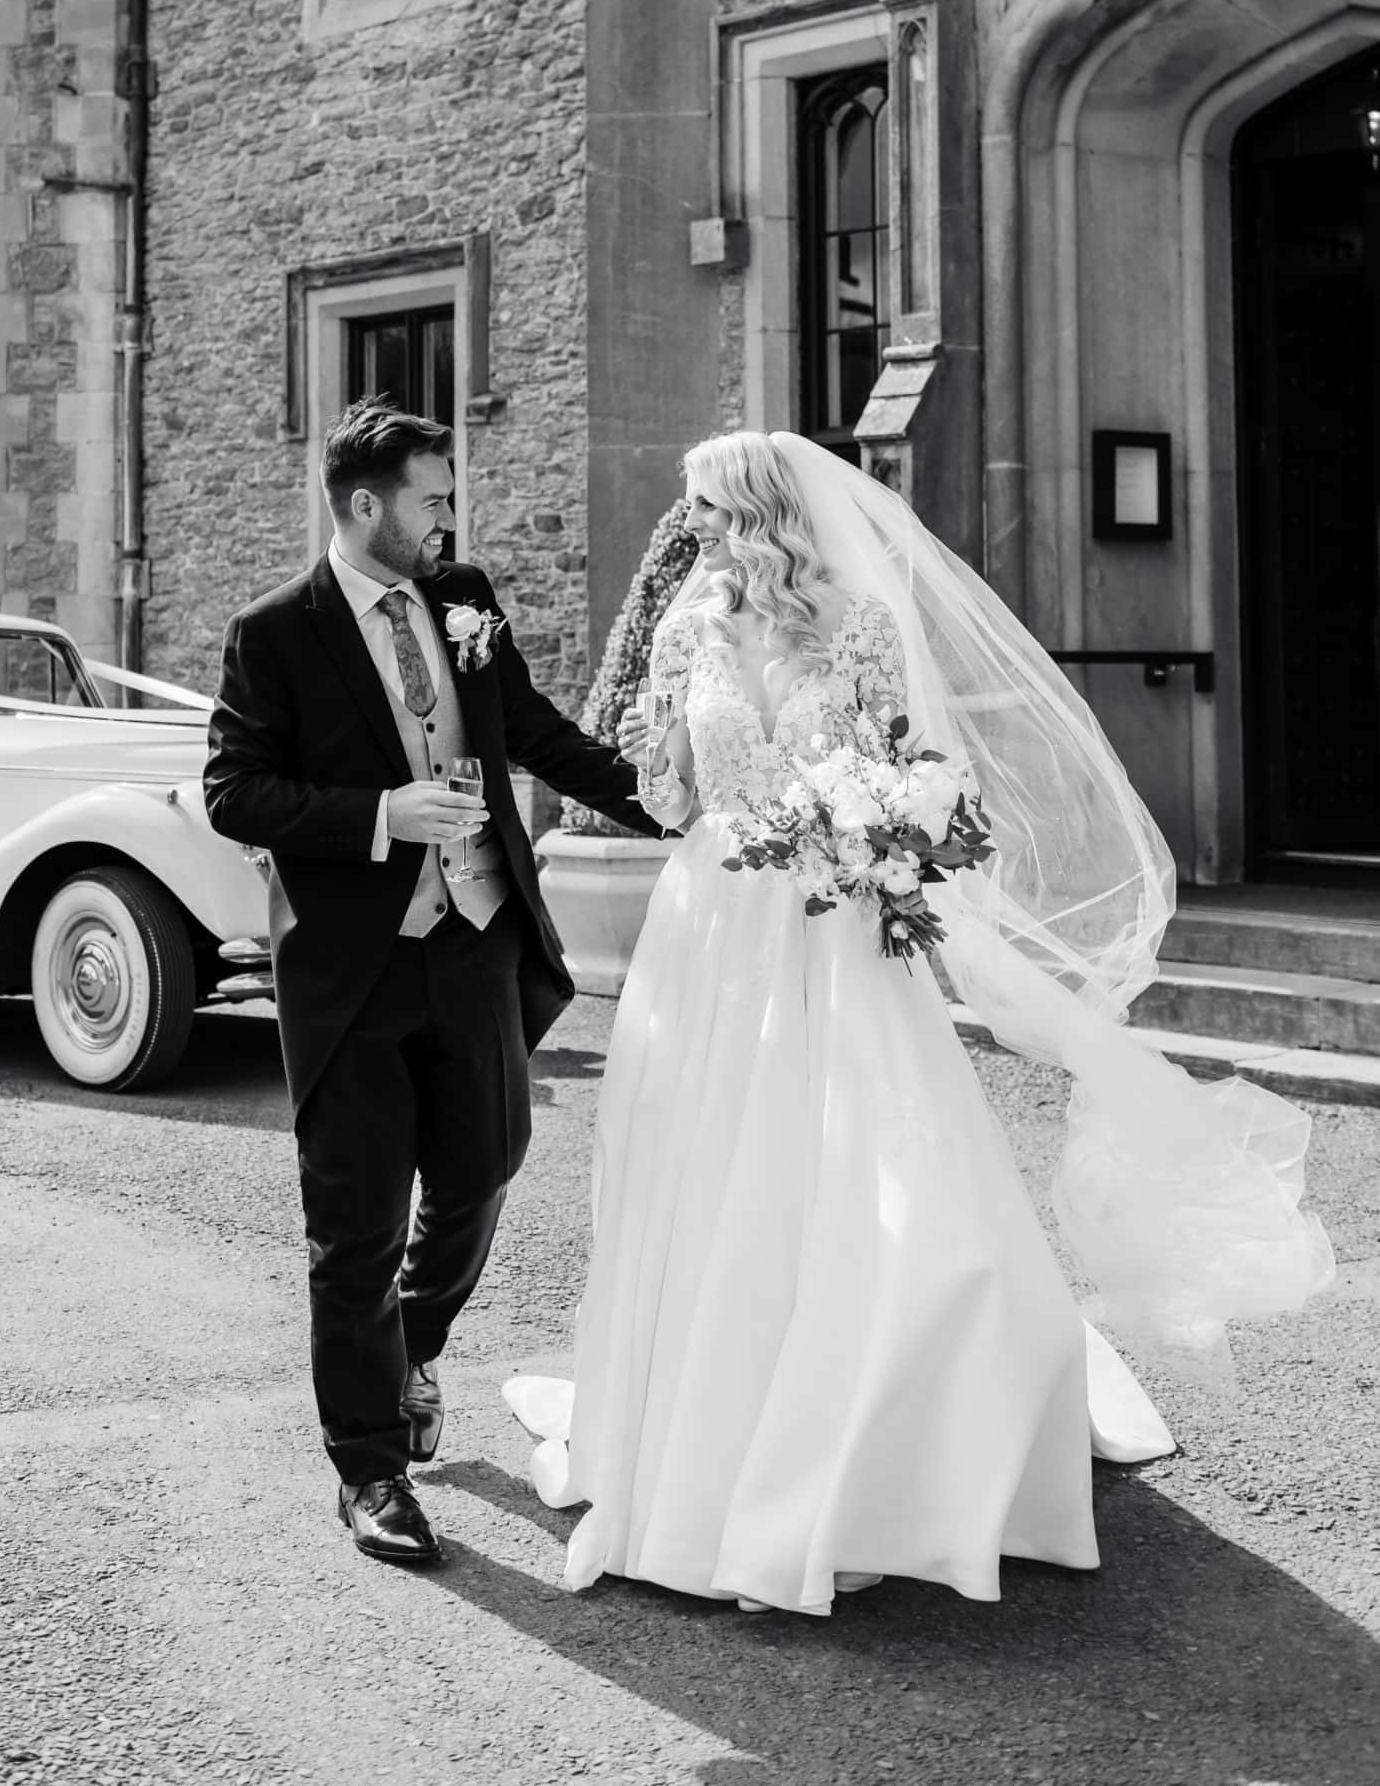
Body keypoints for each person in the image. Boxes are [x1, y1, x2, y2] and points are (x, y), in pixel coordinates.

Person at [506, 430, 1333, 1614]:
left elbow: (902, 767)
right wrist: (667, 747)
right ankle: (703, 1424)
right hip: (710, 932)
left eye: (696, 508)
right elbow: (668, 799)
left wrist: (874, 831)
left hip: (832, 924)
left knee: (857, 1168)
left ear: (752, 509)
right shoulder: (685, 630)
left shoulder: (855, 623)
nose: (681, 530)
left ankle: (874, 1440)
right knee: (703, 1167)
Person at [204, 398, 656, 1568]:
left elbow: (534, 729)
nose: (449, 513)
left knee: (483, 1169)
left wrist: (665, 801)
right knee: (349, 1229)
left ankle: (407, 1347)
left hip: (475, 940)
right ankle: (369, 1469)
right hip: (352, 974)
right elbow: (231, 791)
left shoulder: (466, 601)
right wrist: (378, 817)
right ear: (364, 506)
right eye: (431, 496)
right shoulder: (275, 633)